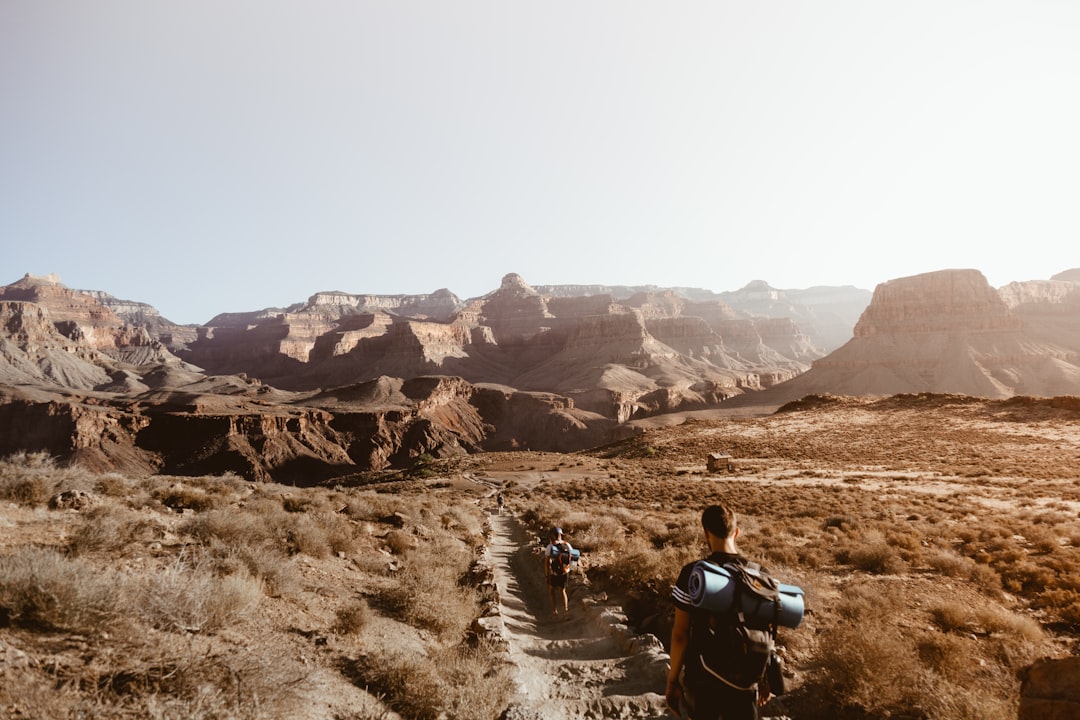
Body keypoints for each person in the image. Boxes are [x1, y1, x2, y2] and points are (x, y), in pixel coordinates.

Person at [666, 504, 773, 720]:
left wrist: (672, 681)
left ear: (706, 533)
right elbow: (767, 632)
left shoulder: (693, 574)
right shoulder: (759, 574)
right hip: (745, 678)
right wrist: (764, 676)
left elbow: (680, 634)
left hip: (703, 677)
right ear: (736, 532)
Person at [544, 527, 574, 616]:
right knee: (563, 591)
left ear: (553, 535)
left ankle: (554, 611)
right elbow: (573, 558)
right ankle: (566, 610)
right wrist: (568, 569)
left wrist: (547, 575)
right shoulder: (567, 545)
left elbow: (546, 563)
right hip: (565, 572)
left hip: (554, 573)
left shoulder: (550, 546)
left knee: (551, 590)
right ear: (561, 535)